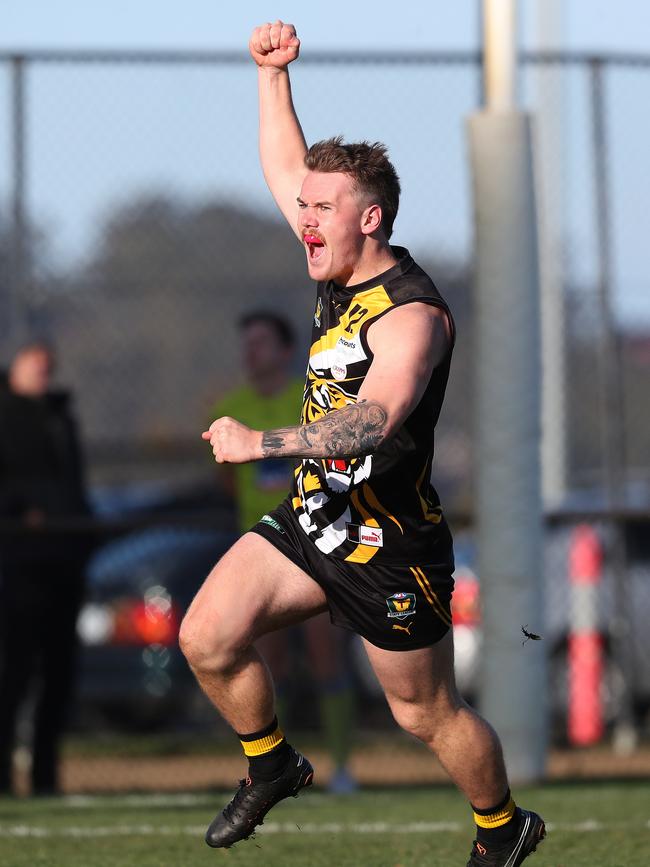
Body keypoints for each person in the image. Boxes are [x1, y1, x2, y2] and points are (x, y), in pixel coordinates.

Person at [181, 20, 546, 866]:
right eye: (302, 210)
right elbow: (284, 164)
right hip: (316, 520)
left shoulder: (413, 314)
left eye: (320, 210)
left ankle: (503, 826)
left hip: (394, 546)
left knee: (425, 714)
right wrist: (272, 78)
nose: (302, 220)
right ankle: (271, 764)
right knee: (205, 634)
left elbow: (375, 417)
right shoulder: (332, 262)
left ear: (370, 218)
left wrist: (261, 440)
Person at [211, 311, 356, 792]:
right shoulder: (233, 406)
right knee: (269, 662)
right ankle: (281, 770)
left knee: (326, 657)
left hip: (316, 548)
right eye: (246, 343)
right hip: (260, 551)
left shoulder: (310, 400)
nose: (251, 352)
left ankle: (342, 770)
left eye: (261, 342)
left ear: (286, 351)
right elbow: (228, 479)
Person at [0, 340, 90, 796]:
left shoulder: (61, 419)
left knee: (59, 676)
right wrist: (20, 513)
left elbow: (75, 484)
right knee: (12, 672)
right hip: (17, 565)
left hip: (63, 561)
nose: (41, 373)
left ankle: (44, 777)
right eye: (32, 365)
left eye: (46, 366)